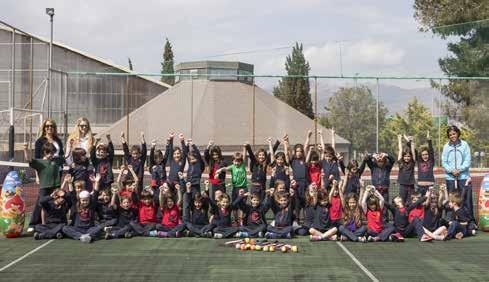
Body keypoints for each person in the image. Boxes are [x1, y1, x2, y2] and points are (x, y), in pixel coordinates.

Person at [24, 142, 64, 233]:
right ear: (44, 152)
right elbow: (28, 159)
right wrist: (25, 149)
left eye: (52, 153)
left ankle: (58, 222)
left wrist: (69, 145)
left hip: (55, 187)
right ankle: (39, 224)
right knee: (42, 205)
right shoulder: (39, 162)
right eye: (48, 152)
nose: (50, 155)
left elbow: (66, 156)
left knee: (58, 204)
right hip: (44, 187)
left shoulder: (56, 160)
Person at [441, 125, 475, 225]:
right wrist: (451, 171)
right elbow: (444, 162)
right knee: (451, 200)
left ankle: (470, 221)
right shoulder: (446, 146)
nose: (452, 136)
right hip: (450, 177)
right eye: (450, 134)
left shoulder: (465, 145)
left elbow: (467, 160)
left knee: (466, 199)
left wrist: (459, 170)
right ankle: (450, 221)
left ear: (458, 133)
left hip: (463, 177)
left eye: (454, 134)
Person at [62, 175, 103, 243]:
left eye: (86, 200)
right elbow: (72, 194)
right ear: (80, 200)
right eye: (83, 200)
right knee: (65, 228)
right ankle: (82, 236)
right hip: (78, 229)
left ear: (89, 200)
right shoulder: (76, 205)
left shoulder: (91, 206)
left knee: (99, 227)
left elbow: (95, 193)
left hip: (89, 229)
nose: (85, 202)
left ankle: (86, 235)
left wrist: (97, 182)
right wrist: (69, 183)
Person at [398, 134, 416, 204]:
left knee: (411, 202)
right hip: (402, 186)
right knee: (402, 202)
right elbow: (400, 149)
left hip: (411, 186)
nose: (407, 158)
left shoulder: (412, 162)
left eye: (408, 156)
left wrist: (411, 141)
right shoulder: (400, 163)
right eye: (405, 156)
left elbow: (413, 150)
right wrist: (399, 139)